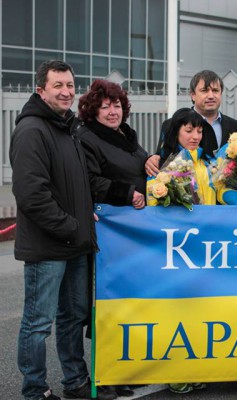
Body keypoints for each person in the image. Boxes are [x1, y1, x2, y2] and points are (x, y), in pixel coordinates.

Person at [10, 60, 116, 400]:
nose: (66, 91)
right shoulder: (32, 130)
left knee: (73, 316)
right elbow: (31, 194)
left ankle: (75, 381)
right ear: (41, 90)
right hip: (48, 246)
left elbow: (73, 184)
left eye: (70, 84)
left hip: (74, 242)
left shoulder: (67, 127)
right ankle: (34, 389)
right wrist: (71, 226)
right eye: (58, 85)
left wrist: (84, 216)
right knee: (38, 323)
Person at [145, 70, 237, 175]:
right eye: (204, 90)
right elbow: (162, 158)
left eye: (215, 90)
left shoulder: (234, 125)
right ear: (193, 95)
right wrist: (150, 159)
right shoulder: (171, 124)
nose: (211, 96)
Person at [78, 79, 147, 209]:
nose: (113, 112)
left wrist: (150, 160)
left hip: (137, 214)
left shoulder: (125, 134)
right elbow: (89, 180)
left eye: (117, 106)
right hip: (113, 215)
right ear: (94, 111)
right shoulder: (87, 138)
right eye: (105, 107)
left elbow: (137, 162)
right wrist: (128, 193)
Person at [147, 108, 216, 209]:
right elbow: (153, 204)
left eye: (199, 131)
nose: (196, 137)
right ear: (176, 132)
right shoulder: (159, 165)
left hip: (211, 218)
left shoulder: (210, 162)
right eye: (189, 131)